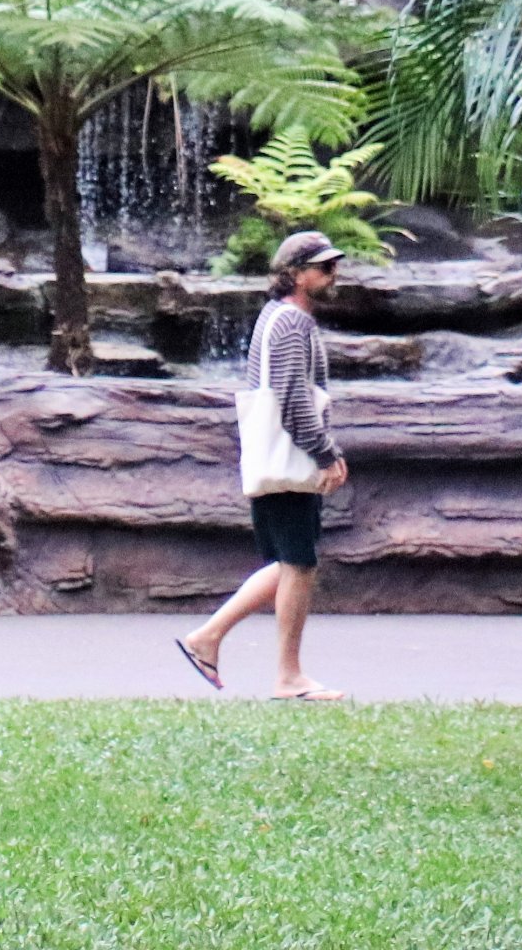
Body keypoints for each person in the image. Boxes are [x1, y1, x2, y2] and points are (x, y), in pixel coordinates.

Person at [177, 229, 348, 701]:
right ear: (295, 273)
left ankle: (210, 639)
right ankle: (284, 675)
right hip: (291, 459)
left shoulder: (273, 317)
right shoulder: (292, 323)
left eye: (334, 265)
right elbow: (293, 400)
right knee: (297, 563)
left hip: (273, 458)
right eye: (324, 267)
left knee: (292, 563)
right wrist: (326, 453)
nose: (334, 274)